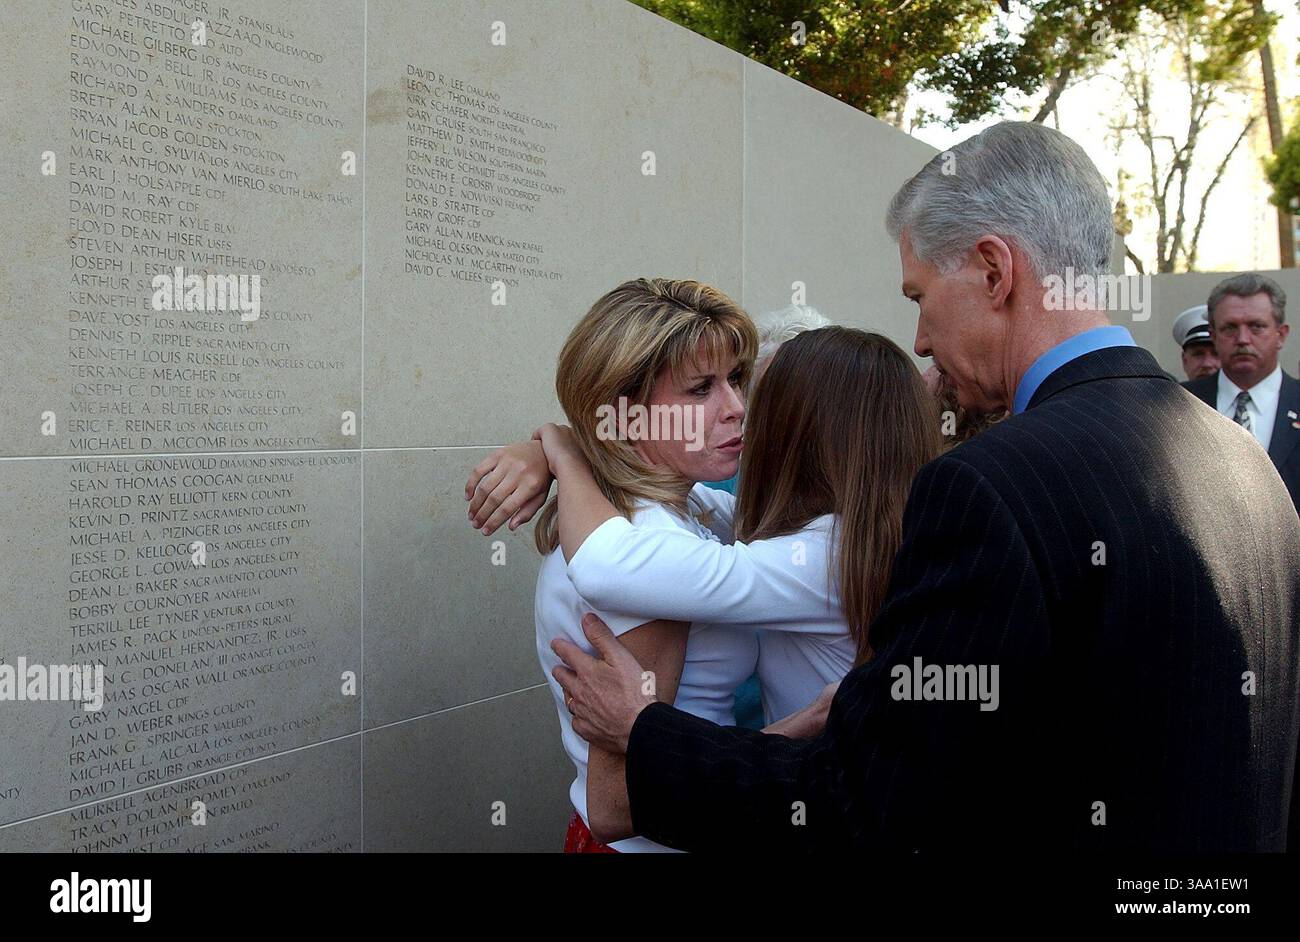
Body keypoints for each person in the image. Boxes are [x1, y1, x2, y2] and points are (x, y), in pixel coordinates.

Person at [548, 121, 1300, 853]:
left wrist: (642, 732)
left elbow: (869, 805)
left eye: (917, 297)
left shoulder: (993, 486)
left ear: (994, 270)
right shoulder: (1246, 462)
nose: (919, 341)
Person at [480, 277, 831, 853]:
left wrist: (554, 445)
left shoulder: (673, 508)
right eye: (700, 390)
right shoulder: (649, 553)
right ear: (630, 414)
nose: (738, 409)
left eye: (737, 380)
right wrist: (806, 732)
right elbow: (621, 800)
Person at [1182, 274, 1299, 514]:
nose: (1243, 339)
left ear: (1281, 334)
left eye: (1257, 326)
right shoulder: (1179, 405)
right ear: (1213, 336)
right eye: (1230, 328)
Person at [1171, 304, 1220, 381]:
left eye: (1216, 354)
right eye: (1198, 354)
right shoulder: (1168, 393)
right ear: (1185, 361)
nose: (1207, 364)